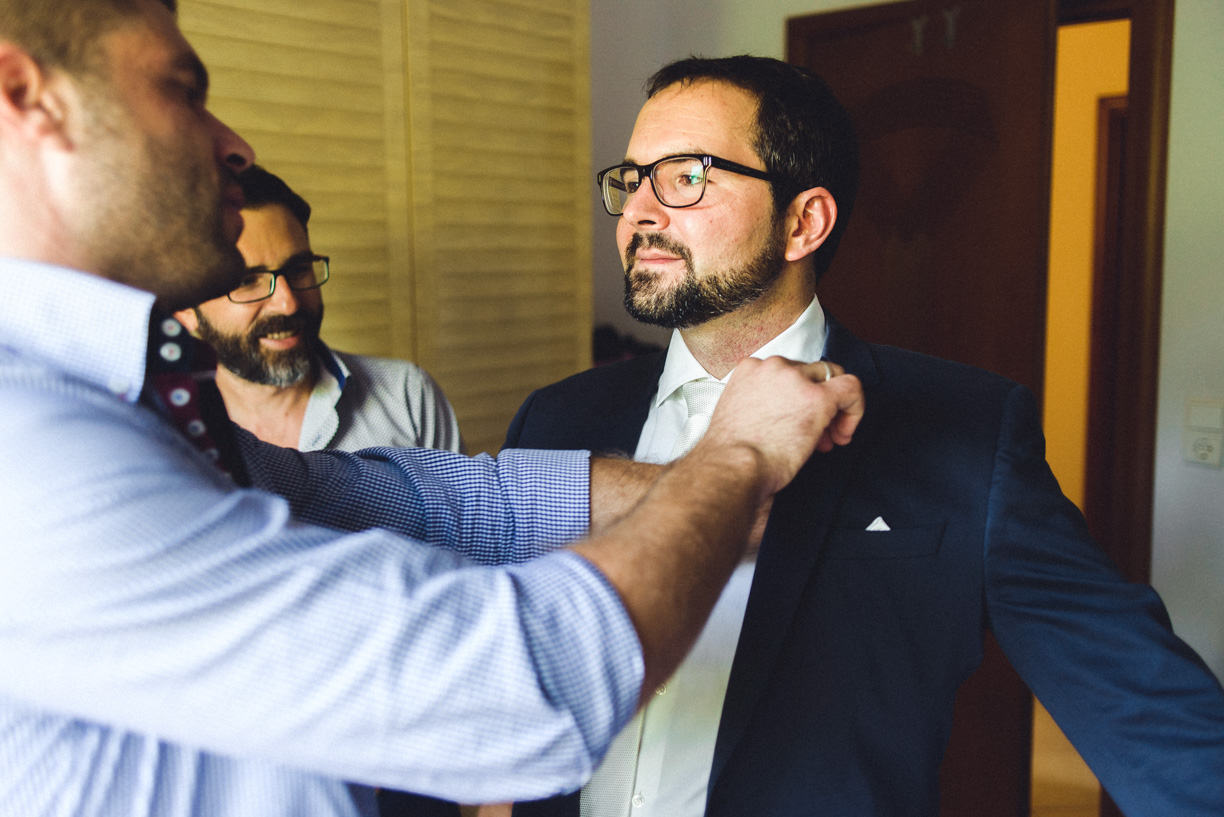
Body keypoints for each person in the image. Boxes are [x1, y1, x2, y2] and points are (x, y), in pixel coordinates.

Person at [0, 7, 867, 817]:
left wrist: (703, 481)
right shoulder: (29, 457)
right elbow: (524, 686)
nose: (235, 144)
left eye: (686, 178)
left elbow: (425, 500)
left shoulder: (120, 398)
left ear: (806, 222)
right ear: (23, 94)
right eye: (183, 89)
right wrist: (737, 457)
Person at [503, 55, 1224, 817]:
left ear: (803, 221)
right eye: (632, 178)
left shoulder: (966, 434)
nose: (639, 212)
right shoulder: (554, 421)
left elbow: (1147, 712)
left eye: (685, 177)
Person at [173, 164, 464, 454]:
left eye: (298, 268)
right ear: (185, 309)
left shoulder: (407, 396)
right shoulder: (164, 427)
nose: (288, 304)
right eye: (248, 281)